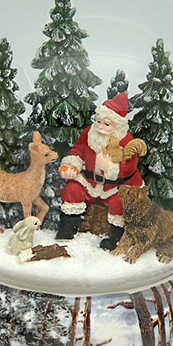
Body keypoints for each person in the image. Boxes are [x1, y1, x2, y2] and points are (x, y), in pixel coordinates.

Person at [56, 92, 144, 250]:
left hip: (115, 187)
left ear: (118, 125)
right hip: (90, 181)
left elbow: (130, 168)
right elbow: (78, 150)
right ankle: (67, 229)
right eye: (98, 121)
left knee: (119, 203)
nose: (100, 126)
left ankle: (116, 238)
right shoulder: (90, 132)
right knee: (72, 190)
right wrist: (72, 165)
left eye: (107, 124)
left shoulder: (126, 140)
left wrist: (109, 167)